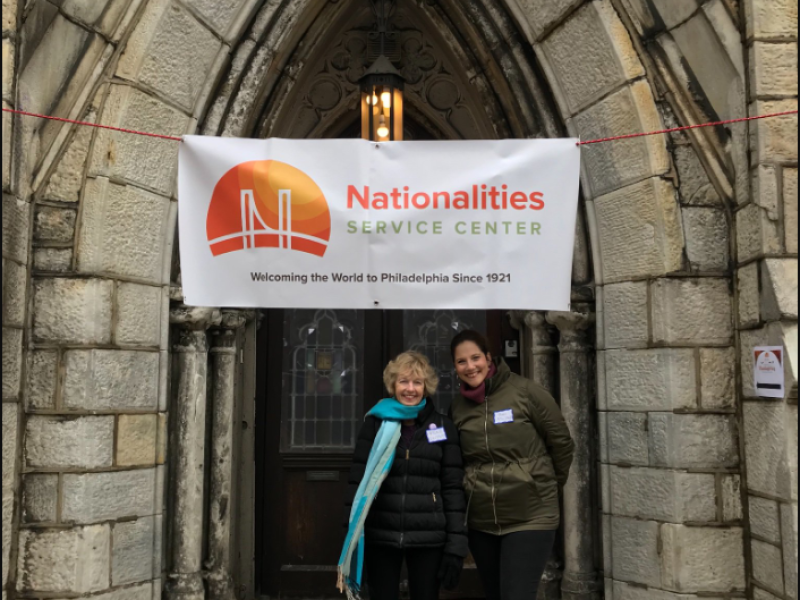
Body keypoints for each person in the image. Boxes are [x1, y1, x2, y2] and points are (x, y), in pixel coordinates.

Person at [448, 330, 574, 600]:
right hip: (482, 521)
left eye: (475, 358)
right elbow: (457, 458)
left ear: (489, 358)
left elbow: (562, 443)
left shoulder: (526, 392)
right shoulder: (458, 407)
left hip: (529, 516)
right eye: (461, 361)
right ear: (455, 367)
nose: (470, 367)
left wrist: (543, 484)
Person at [337, 351, 468, 600]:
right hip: (381, 533)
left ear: (426, 387)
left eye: (417, 382)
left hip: (429, 535)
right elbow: (357, 481)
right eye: (404, 381)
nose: (410, 389)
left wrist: (456, 546)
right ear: (393, 385)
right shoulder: (375, 424)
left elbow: (452, 488)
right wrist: (350, 532)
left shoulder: (442, 427)